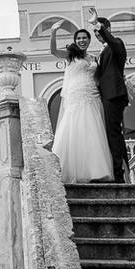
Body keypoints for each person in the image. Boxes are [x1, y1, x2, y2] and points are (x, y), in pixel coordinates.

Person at [47, 22, 114, 183]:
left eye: (84, 38)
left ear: (89, 40)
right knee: (74, 128)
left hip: (92, 94)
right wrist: (53, 32)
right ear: (75, 40)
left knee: (93, 130)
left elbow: (100, 77)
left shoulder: (93, 58)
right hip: (76, 94)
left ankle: (96, 171)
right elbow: (54, 51)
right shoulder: (71, 55)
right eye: (79, 38)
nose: (82, 40)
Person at [89, 7, 130, 183]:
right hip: (105, 96)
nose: (97, 35)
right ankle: (116, 172)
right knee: (110, 134)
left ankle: (120, 175)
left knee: (113, 134)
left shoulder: (117, 44)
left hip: (114, 96)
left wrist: (97, 24)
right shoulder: (103, 51)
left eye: (99, 32)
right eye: (95, 33)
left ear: (107, 29)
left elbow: (110, 40)